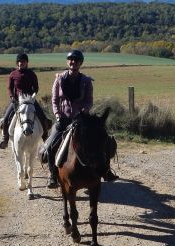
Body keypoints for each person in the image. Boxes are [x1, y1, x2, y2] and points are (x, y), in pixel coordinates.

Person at [43, 49, 118, 188]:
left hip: (81, 119)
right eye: (71, 60)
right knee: (50, 145)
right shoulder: (59, 79)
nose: (73, 62)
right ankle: (53, 175)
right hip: (63, 119)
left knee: (103, 141)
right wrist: (58, 115)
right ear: (67, 62)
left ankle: (106, 171)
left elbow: (89, 100)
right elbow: (54, 100)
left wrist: (84, 110)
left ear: (80, 63)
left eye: (77, 61)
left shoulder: (86, 81)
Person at [0, 53, 51, 149]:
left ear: (27, 62)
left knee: (43, 118)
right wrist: (12, 97)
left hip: (30, 100)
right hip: (17, 101)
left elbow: (36, 88)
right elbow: (10, 88)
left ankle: (45, 137)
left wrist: (33, 96)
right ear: (17, 63)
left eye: (23, 61)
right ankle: (5, 139)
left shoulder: (32, 74)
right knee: (5, 119)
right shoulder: (13, 74)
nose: (21, 63)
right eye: (19, 61)